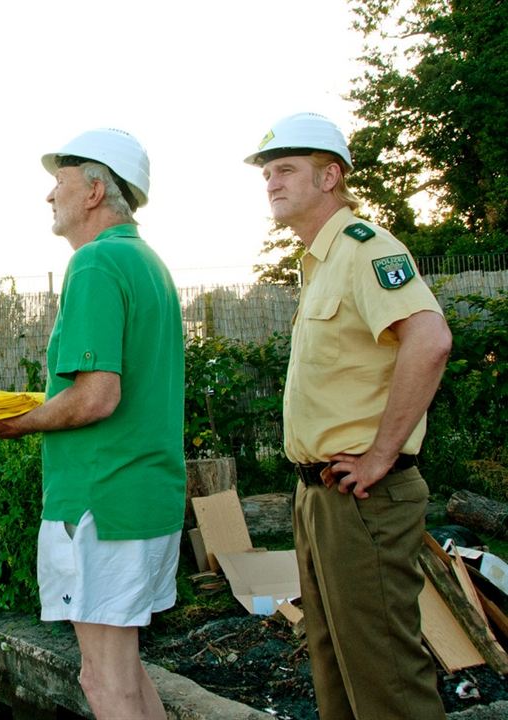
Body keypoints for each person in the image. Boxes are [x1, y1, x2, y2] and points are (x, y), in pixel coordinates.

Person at [245, 112, 452, 720]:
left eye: (286, 170)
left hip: (365, 497)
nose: (271, 183)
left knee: (385, 678)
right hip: (322, 496)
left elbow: (430, 340)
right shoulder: (321, 261)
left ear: (330, 176)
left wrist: (382, 454)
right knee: (335, 668)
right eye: (266, 173)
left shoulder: (367, 249)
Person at [0, 128, 186, 720]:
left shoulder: (95, 263)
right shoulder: (146, 262)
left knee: (102, 679)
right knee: (125, 671)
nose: (50, 196)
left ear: (95, 190)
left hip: (100, 501)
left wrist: (21, 421)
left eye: (60, 182)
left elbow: (98, 396)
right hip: (145, 497)